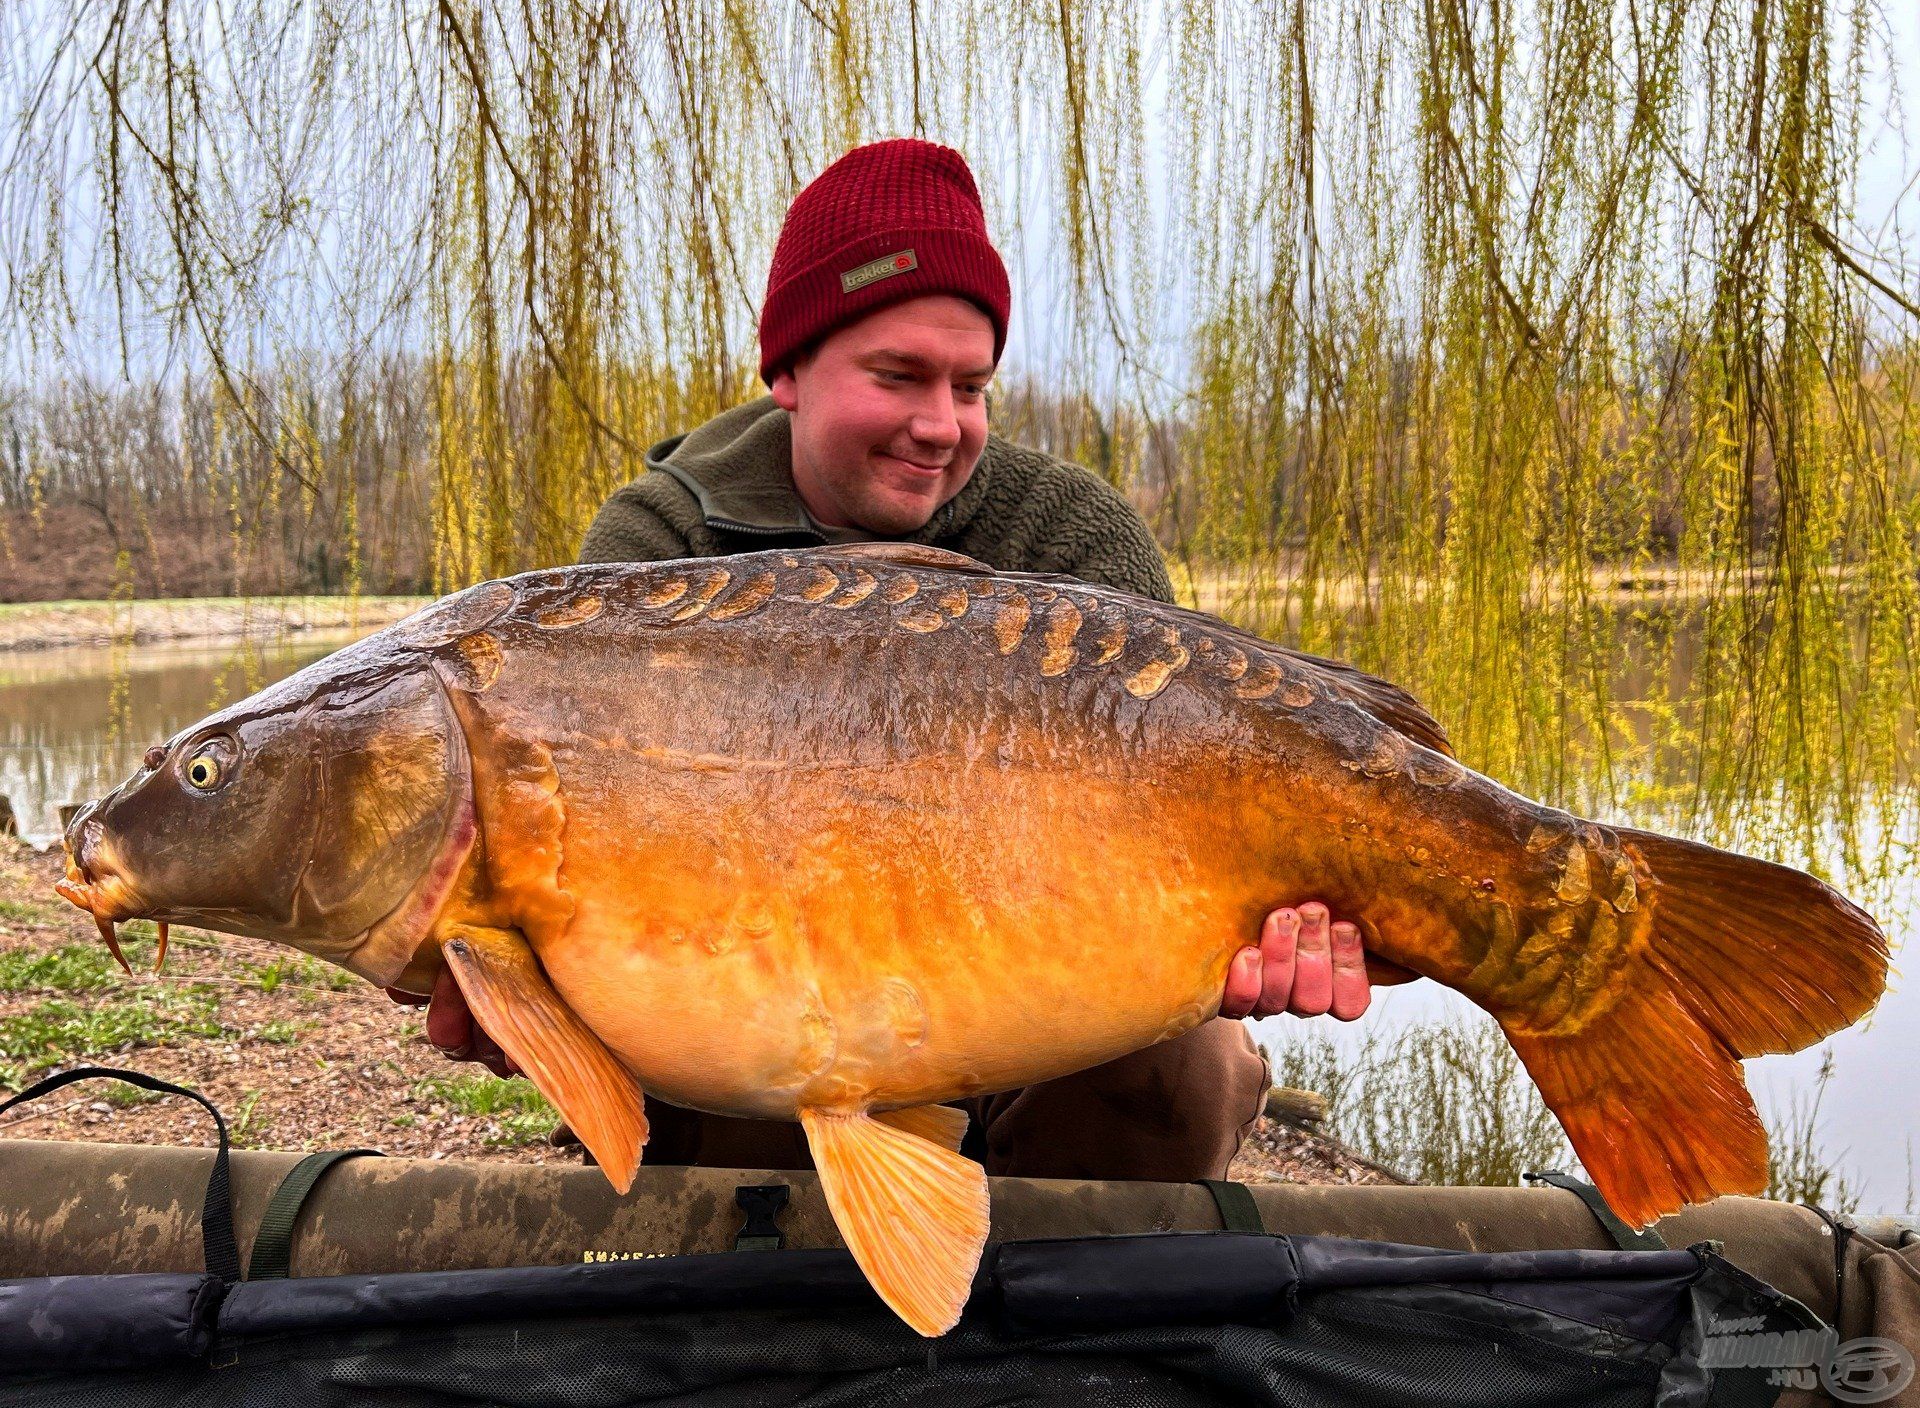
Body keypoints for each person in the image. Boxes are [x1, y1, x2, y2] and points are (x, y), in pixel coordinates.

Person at [394, 139, 1407, 1180]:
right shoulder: (661, 545)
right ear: (787, 369)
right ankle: (776, 1284)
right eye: (898, 377)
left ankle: (1058, 1287)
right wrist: (530, 1002)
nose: (939, 426)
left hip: (1029, 1005)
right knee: (709, 1021)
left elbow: (1181, 801)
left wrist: (1259, 929)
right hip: (752, 999)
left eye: (971, 386)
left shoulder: (1072, 538)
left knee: (1192, 1062)